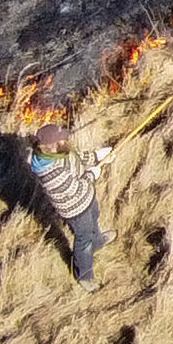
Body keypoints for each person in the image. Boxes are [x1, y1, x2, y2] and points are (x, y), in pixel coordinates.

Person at [26, 122, 112, 286]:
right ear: (52, 146)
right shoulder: (50, 173)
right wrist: (92, 174)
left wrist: (97, 156)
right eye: (62, 139)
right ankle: (85, 277)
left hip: (87, 197)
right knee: (83, 238)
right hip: (75, 209)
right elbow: (76, 188)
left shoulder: (59, 152)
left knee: (95, 217)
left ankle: (98, 241)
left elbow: (76, 158)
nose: (66, 140)